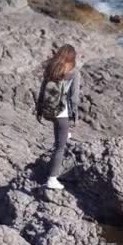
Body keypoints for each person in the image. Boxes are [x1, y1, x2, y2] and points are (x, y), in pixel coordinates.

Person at [36, 44, 80, 190]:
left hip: (49, 111)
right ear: (72, 58)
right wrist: (75, 117)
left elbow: (42, 90)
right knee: (60, 147)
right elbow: (74, 98)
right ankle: (52, 179)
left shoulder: (51, 69)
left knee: (62, 135)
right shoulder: (74, 73)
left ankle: (65, 133)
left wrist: (39, 110)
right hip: (62, 113)